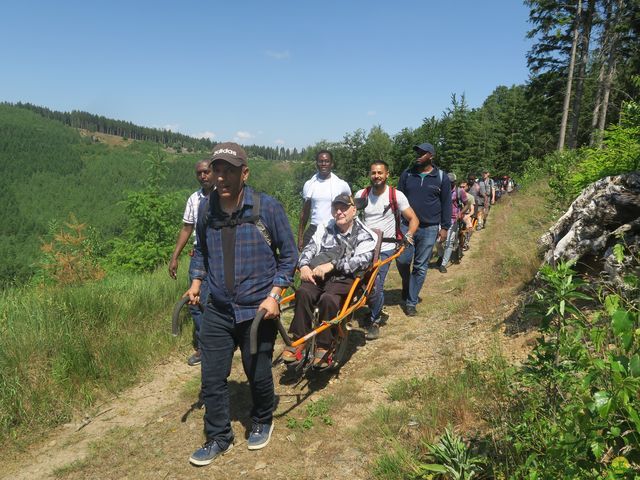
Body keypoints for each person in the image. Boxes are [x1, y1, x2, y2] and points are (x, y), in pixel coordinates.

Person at [185, 142, 298, 466]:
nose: (220, 176)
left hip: (257, 309)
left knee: (258, 371)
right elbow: (202, 252)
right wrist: (196, 282)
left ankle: (262, 418)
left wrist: (275, 295)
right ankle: (219, 436)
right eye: (217, 169)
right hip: (218, 308)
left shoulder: (267, 208)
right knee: (211, 377)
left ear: (244, 174)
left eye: (228, 170)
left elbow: (289, 257)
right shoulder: (207, 210)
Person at [284, 194, 377, 367]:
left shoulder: (366, 234)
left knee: (328, 299)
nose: (339, 212)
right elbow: (310, 247)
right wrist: (303, 265)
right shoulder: (324, 228)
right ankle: (299, 340)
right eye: (336, 208)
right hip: (320, 276)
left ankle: (324, 345)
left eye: (344, 208)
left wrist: (333, 265)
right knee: (303, 292)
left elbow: (362, 261)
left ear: (354, 210)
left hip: (345, 279)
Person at [355, 160, 419, 340]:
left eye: (380, 173)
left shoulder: (396, 195)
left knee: (377, 282)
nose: (376, 176)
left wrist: (409, 235)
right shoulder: (362, 194)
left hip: (386, 246)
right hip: (363, 247)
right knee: (360, 281)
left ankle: (374, 321)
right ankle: (370, 306)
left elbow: (413, 219)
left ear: (387, 174)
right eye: (373, 173)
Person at [396, 142, 452, 316]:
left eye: (423, 153)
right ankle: (407, 284)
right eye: (418, 152)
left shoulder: (441, 177)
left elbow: (446, 203)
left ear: (431, 156)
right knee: (402, 260)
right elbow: (397, 199)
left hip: (430, 228)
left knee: (420, 266)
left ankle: (411, 302)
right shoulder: (407, 174)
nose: (418, 155)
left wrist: (444, 228)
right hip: (407, 226)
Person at [168, 159, 215, 366]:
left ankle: (223, 341)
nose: (203, 176)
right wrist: (175, 256)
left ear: (213, 172)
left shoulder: (223, 196)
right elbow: (187, 228)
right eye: (199, 173)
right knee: (195, 302)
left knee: (221, 300)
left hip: (221, 253)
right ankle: (204, 349)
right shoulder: (194, 199)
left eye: (206, 172)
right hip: (199, 253)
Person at [298, 150, 351, 251]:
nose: (323, 164)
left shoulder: (341, 184)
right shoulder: (309, 184)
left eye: (326, 161)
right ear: (316, 163)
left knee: (330, 262)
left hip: (334, 228)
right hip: (314, 227)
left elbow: (351, 206)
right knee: (305, 262)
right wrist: (300, 237)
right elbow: (304, 213)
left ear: (332, 164)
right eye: (320, 161)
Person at [438, 173, 469, 272]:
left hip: (453, 220)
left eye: (451, 182)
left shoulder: (460, 191)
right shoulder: (441, 190)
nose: (449, 184)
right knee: (438, 241)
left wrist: (461, 213)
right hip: (441, 219)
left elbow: (467, 204)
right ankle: (441, 256)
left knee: (449, 242)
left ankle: (443, 264)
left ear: (455, 182)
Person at [458, 179, 476, 250]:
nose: (462, 188)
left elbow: (472, 210)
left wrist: (467, 216)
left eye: (463, 187)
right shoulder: (456, 195)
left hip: (466, 215)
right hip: (457, 215)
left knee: (469, 226)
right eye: (460, 187)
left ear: (467, 187)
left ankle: (466, 242)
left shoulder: (470, 197)